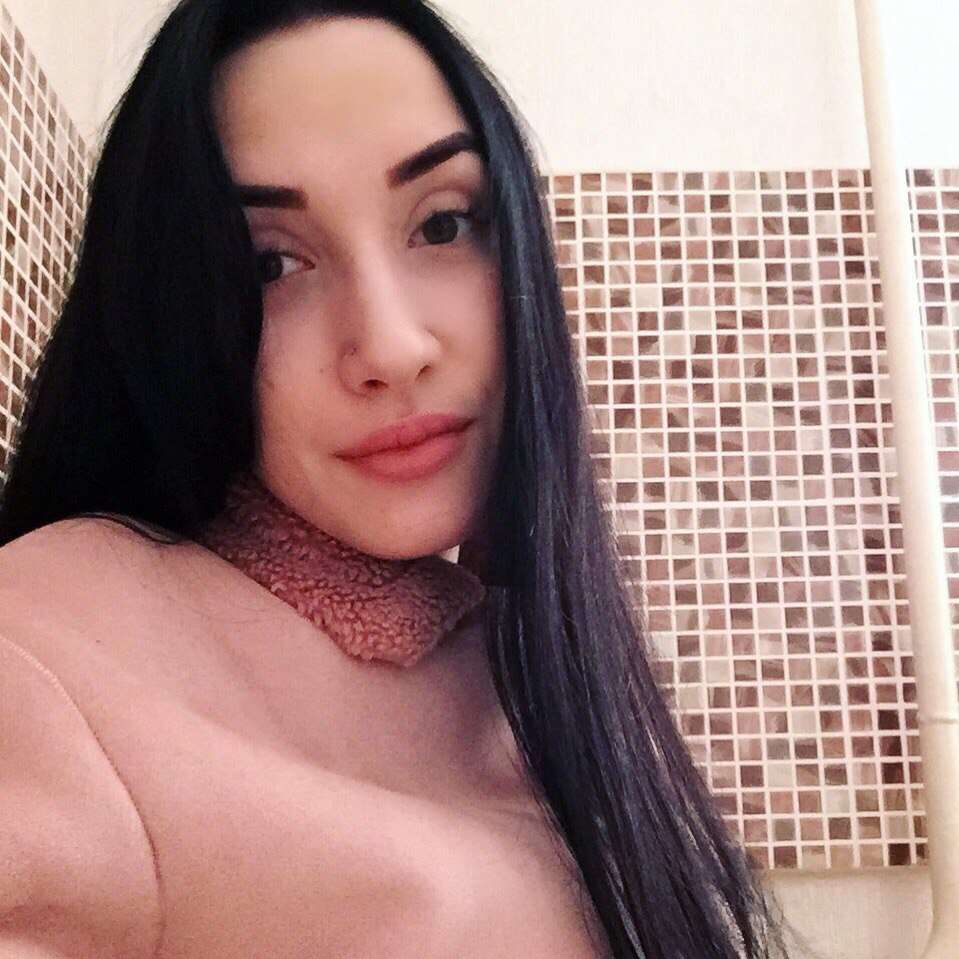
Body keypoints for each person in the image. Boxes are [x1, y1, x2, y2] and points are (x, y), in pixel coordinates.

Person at [0, 1, 791, 957]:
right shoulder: (48, 648)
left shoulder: (542, 678)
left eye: (443, 223)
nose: (390, 345)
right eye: (269, 263)